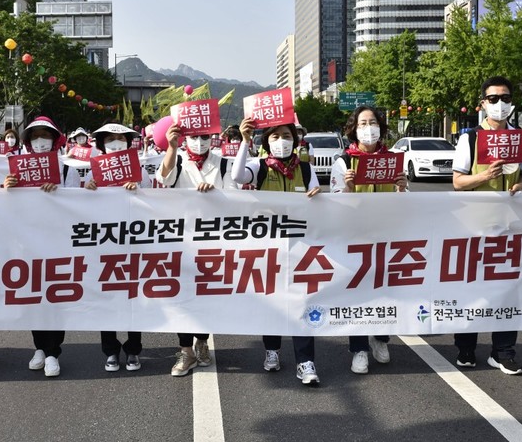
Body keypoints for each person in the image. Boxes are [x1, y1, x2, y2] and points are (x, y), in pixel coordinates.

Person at [231, 116, 322, 385]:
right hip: (268, 248)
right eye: (274, 136)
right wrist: (245, 141)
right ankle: (272, 350)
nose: (281, 141)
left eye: (286, 136)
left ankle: (305, 362)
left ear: (295, 140)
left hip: (299, 247)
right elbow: (237, 176)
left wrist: (317, 195)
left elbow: (317, 196)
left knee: (301, 303)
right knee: (272, 301)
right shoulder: (258, 166)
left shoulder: (305, 169)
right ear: (266, 141)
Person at [451, 76, 522, 376]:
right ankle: (466, 348)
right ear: (482, 104)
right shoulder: (470, 138)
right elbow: (458, 182)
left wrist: (519, 186)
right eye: (493, 99)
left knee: (508, 291)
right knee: (471, 290)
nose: (500, 104)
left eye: (506, 98)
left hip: (509, 227)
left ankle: (504, 352)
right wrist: (484, 178)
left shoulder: (520, 138)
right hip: (473, 227)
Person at [330, 105, 407, 375]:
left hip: (387, 239)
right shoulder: (343, 161)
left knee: (386, 292)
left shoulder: (394, 159)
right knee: (357, 295)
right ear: (354, 128)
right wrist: (348, 189)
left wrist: (401, 187)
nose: (368, 128)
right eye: (362, 123)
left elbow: (406, 205)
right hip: (355, 239)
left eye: (372, 122)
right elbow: (335, 206)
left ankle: (381, 338)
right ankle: (359, 348)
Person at [156, 123, 236, 376]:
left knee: (205, 296)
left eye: (204, 136)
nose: (199, 141)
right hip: (181, 239)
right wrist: (171, 146)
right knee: (181, 296)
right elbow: (163, 178)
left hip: (213, 240)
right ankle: (186, 351)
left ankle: (202, 343)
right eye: (193, 136)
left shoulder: (223, 163)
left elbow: (236, 199)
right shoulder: (177, 160)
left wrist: (215, 193)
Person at [4, 116, 80, 377]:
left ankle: (53, 352)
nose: (40, 142)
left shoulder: (68, 170)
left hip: (58, 244)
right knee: (34, 297)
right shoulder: (16, 168)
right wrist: (7, 188)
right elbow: (7, 208)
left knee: (54, 297)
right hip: (27, 244)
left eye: (45, 136)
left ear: (55, 140)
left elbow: (78, 207)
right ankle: (39, 347)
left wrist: (59, 193)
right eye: (35, 137)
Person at [84, 123, 150, 372]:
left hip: (133, 241)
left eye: (120, 138)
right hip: (104, 242)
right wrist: (88, 189)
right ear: (101, 143)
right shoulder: (93, 168)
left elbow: (153, 194)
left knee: (133, 297)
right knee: (107, 297)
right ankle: (110, 350)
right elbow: (78, 205)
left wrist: (138, 187)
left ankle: (133, 349)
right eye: (110, 138)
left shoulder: (138, 166)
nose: (115, 142)